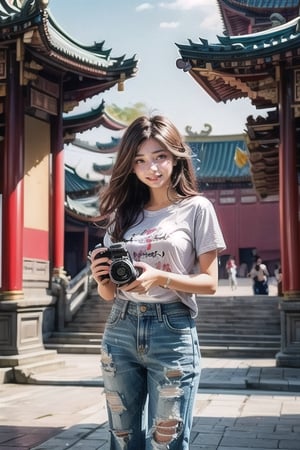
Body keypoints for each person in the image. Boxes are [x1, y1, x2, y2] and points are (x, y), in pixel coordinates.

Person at [89, 115, 225, 450]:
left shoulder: (197, 208)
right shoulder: (123, 215)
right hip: (120, 328)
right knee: (122, 440)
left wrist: (159, 277)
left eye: (159, 156)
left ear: (176, 156)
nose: (152, 168)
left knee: (167, 442)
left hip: (172, 331)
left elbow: (210, 283)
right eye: (140, 160)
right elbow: (108, 294)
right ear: (130, 166)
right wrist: (100, 276)